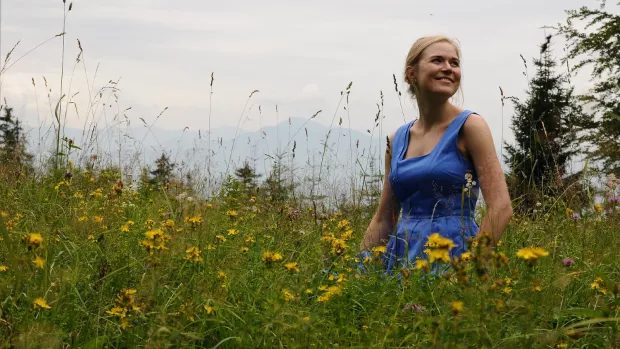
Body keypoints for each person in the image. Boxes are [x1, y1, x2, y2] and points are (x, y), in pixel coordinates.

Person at [359, 36, 513, 273]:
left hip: (454, 257)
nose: (448, 69)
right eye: (437, 60)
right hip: (402, 259)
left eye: (454, 63)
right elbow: (384, 218)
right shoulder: (396, 140)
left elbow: (501, 207)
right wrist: (361, 269)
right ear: (411, 74)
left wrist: (470, 268)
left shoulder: (470, 126)